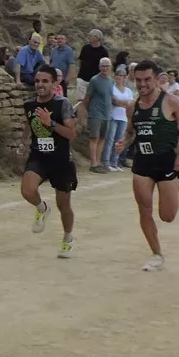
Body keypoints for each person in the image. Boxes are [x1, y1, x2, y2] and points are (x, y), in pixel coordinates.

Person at [119, 60, 179, 272]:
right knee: (144, 210)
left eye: (147, 79)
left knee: (167, 216)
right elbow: (131, 132)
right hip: (142, 163)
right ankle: (156, 254)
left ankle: (176, 183)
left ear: (156, 79)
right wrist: (124, 142)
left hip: (166, 163)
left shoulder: (170, 101)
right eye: (138, 80)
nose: (142, 84)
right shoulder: (132, 106)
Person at [21, 64, 78, 258]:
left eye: (45, 81)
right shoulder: (29, 104)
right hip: (39, 156)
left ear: (55, 84)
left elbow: (71, 134)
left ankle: (68, 238)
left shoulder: (62, 104)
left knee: (64, 205)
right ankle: (42, 208)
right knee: (27, 190)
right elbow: (28, 125)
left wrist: (50, 123)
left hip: (60, 160)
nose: (40, 84)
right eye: (37, 81)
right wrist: (22, 143)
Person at [77, 58, 115, 173]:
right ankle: (93, 163)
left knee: (102, 138)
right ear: (99, 67)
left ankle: (98, 162)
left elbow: (110, 97)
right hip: (96, 114)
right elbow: (87, 98)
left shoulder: (111, 81)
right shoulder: (94, 80)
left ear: (111, 67)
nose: (105, 68)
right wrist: (86, 113)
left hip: (107, 114)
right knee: (94, 138)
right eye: (103, 66)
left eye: (107, 66)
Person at [107, 67, 135, 171]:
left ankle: (115, 162)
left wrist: (121, 102)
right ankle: (107, 162)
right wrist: (124, 103)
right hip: (113, 116)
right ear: (115, 76)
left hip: (124, 117)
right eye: (118, 75)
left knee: (119, 141)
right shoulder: (112, 88)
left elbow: (130, 104)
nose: (120, 77)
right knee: (110, 140)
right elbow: (114, 101)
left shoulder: (128, 90)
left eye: (122, 75)